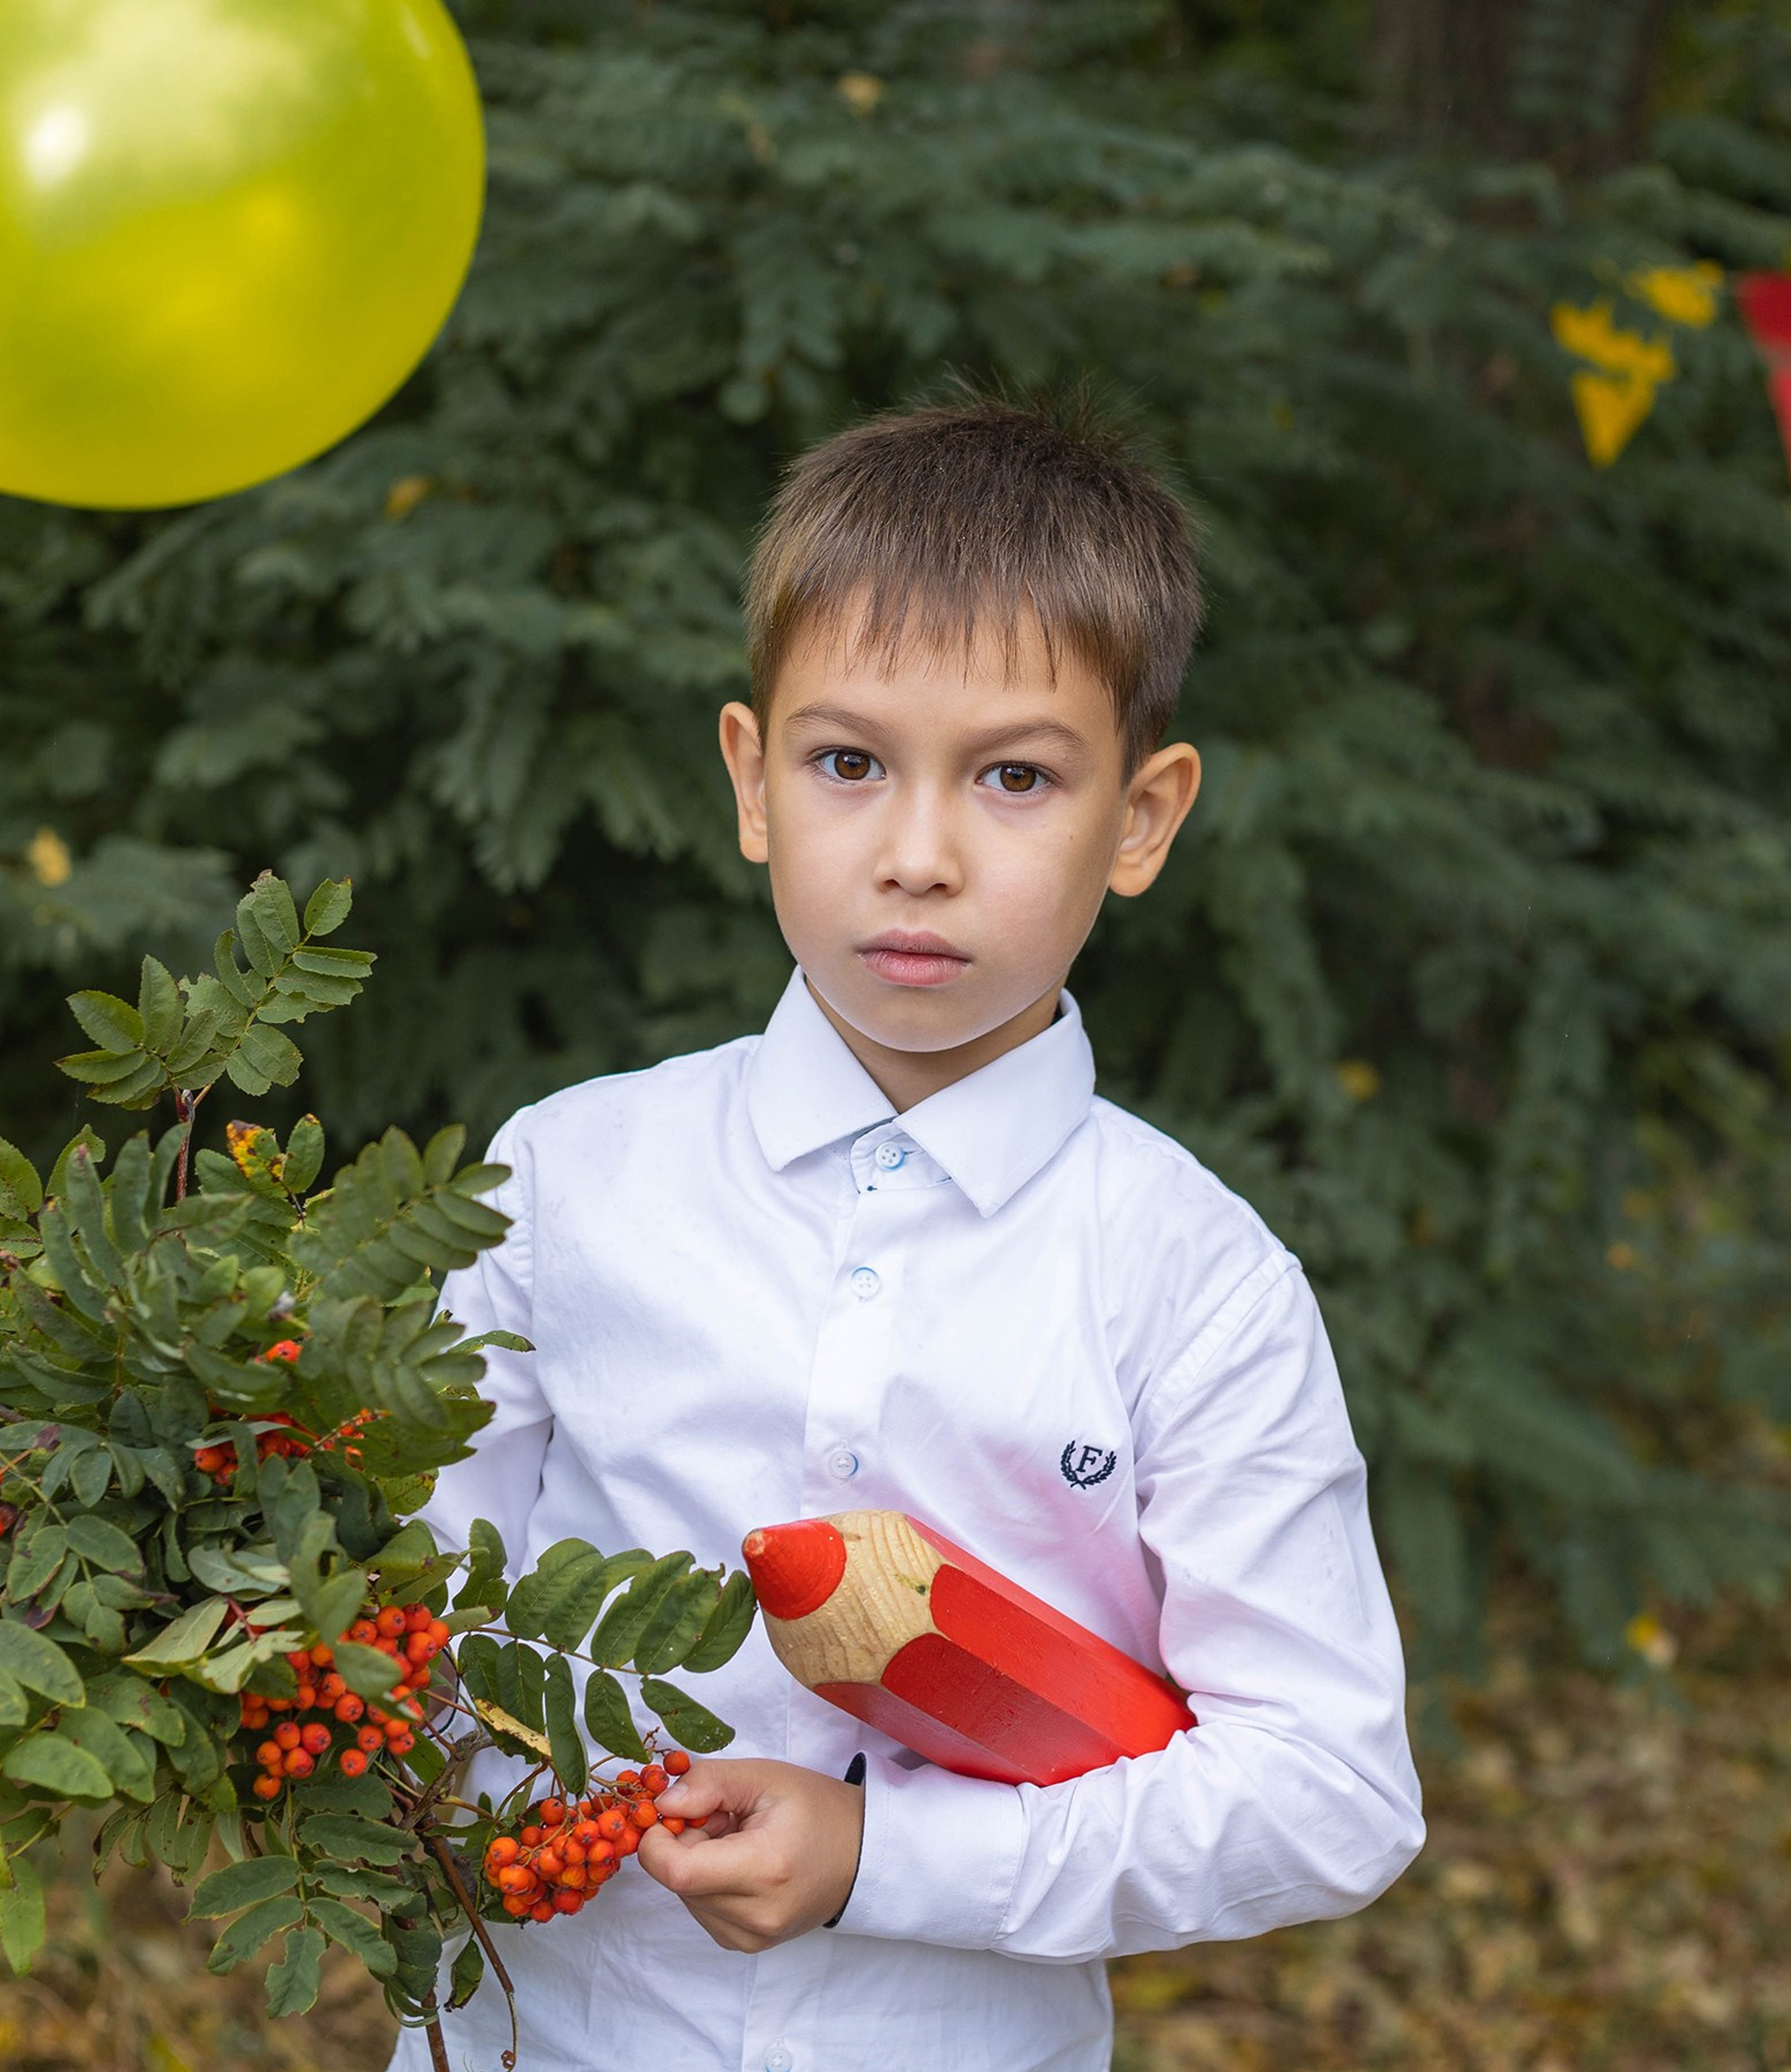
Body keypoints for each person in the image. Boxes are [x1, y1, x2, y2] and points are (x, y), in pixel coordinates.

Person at [392, 395, 1424, 2072]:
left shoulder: (1190, 1277)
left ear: (1143, 816)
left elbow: (1326, 1787)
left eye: (1014, 775)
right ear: (750, 777)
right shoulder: (563, 1178)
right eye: (847, 762)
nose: (918, 854)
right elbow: (389, 1626)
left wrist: (889, 1856)